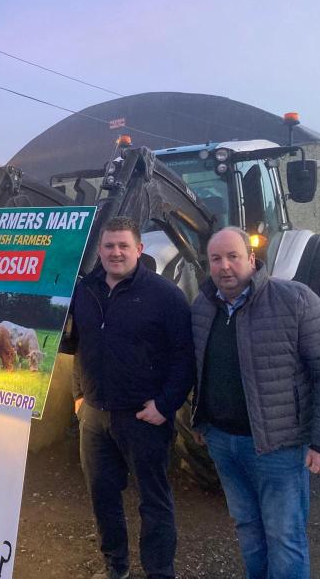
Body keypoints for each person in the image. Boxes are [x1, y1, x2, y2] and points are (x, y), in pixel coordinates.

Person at [191, 227, 320, 579]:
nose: (224, 266)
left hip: (278, 447)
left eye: (233, 257)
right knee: (247, 527)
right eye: (216, 259)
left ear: (251, 258)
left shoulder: (294, 300)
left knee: (284, 535)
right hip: (222, 442)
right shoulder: (203, 306)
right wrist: (201, 420)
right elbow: (200, 367)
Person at [72, 216, 195, 579]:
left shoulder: (165, 295)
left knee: (153, 500)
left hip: (143, 417)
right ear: (99, 250)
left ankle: (159, 571)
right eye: (109, 245)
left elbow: (184, 356)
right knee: (102, 496)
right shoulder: (85, 291)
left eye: (123, 245)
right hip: (94, 416)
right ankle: (116, 566)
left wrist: (165, 405)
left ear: (139, 249)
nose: (116, 252)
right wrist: (79, 395)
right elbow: (80, 346)